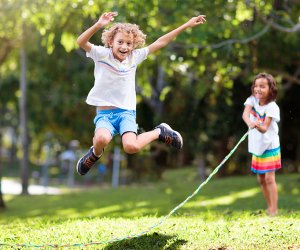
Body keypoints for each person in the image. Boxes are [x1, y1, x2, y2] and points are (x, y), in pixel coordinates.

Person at [76, 12, 207, 176]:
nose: (124, 47)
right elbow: (80, 42)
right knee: (101, 139)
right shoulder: (101, 54)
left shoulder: (134, 57)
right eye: (120, 42)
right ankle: (94, 154)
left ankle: (160, 131)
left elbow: (161, 42)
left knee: (131, 147)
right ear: (111, 42)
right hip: (105, 114)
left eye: (129, 43)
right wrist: (98, 25)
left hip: (126, 113)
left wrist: (186, 25)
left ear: (133, 45)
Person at [242, 72, 281, 216]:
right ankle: (269, 207)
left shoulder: (272, 107)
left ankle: (274, 211)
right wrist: (250, 123)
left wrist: (257, 125)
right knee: (261, 179)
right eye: (256, 86)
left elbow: (264, 128)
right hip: (257, 146)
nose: (258, 89)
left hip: (269, 145)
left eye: (262, 86)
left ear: (270, 89)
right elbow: (245, 114)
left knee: (270, 178)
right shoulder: (252, 100)